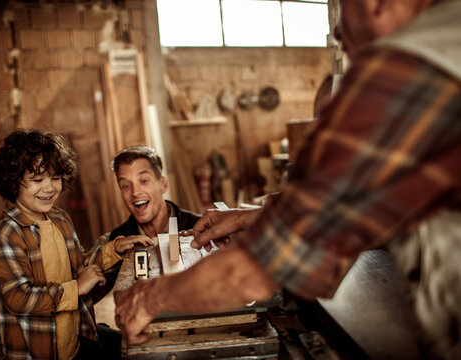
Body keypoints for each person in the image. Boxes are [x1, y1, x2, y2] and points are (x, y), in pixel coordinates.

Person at [114, 1, 461, 358]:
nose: (337, 32)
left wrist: (151, 296)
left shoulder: (410, 76)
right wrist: (247, 216)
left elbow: (256, 271)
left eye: (346, 9)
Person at [0, 129, 120, 360]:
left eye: (55, 178)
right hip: (35, 351)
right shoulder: (5, 235)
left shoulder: (60, 219)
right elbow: (19, 299)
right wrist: (76, 289)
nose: (49, 188)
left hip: (73, 341)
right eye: (37, 180)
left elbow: (78, 267)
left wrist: (114, 250)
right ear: (13, 182)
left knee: (128, 345)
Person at [99, 146, 201, 284]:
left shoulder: (198, 227)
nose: (135, 192)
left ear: (163, 185)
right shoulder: (115, 244)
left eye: (144, 181)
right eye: (126, 186)